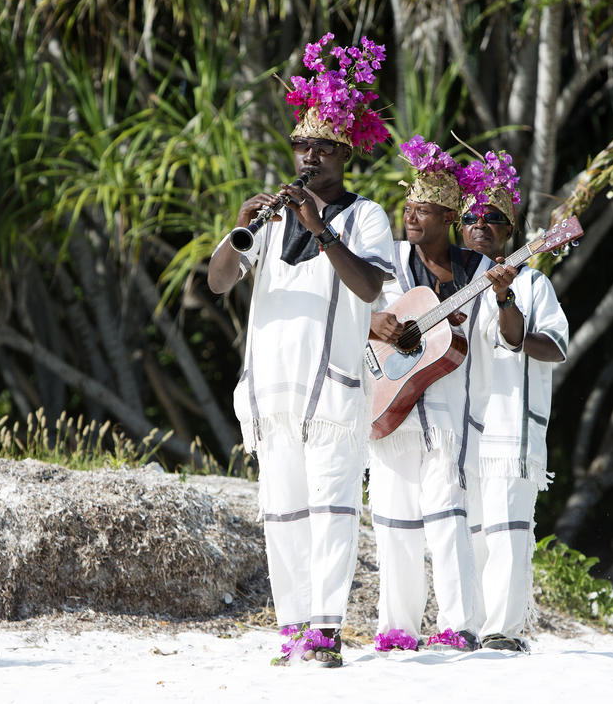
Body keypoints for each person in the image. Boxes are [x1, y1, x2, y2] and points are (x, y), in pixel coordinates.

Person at [207, 33, 394, 668]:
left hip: (335, 390)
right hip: (273, 393)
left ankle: (326, 629)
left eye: (319, 147)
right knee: (282, 514)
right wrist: (240, 227)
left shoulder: (366, 217)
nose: (307, 155)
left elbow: (370, 288)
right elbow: (218, 281)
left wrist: (322, 232)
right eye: (299, 145)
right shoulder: (271, 216)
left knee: (332, 508)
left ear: (344, 154)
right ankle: (291, 626)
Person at [366, 136, 498, 652]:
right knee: (395, 520)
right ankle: (397, 628)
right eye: (408, 206)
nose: (411, 216)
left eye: (424, 209)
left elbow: (499, 339)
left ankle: (458, 625)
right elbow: (359, 315)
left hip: (449, 415)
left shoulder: (480, 271)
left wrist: (500, 299)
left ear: (449, 217)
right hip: (389, 399)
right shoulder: (390, 260)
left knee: (448, 518)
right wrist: (377, 326)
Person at [458, 152, 569, 652]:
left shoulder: (532, 282)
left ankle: (503, 631)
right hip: (457, 428)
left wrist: (508, 306)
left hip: (508, 429)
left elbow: (556, 346)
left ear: (510, 230)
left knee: (507, 533)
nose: (481, 226)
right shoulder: (448, 281)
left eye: (493, 219)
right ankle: (464, 626)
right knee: (466, 534)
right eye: (471, 218)